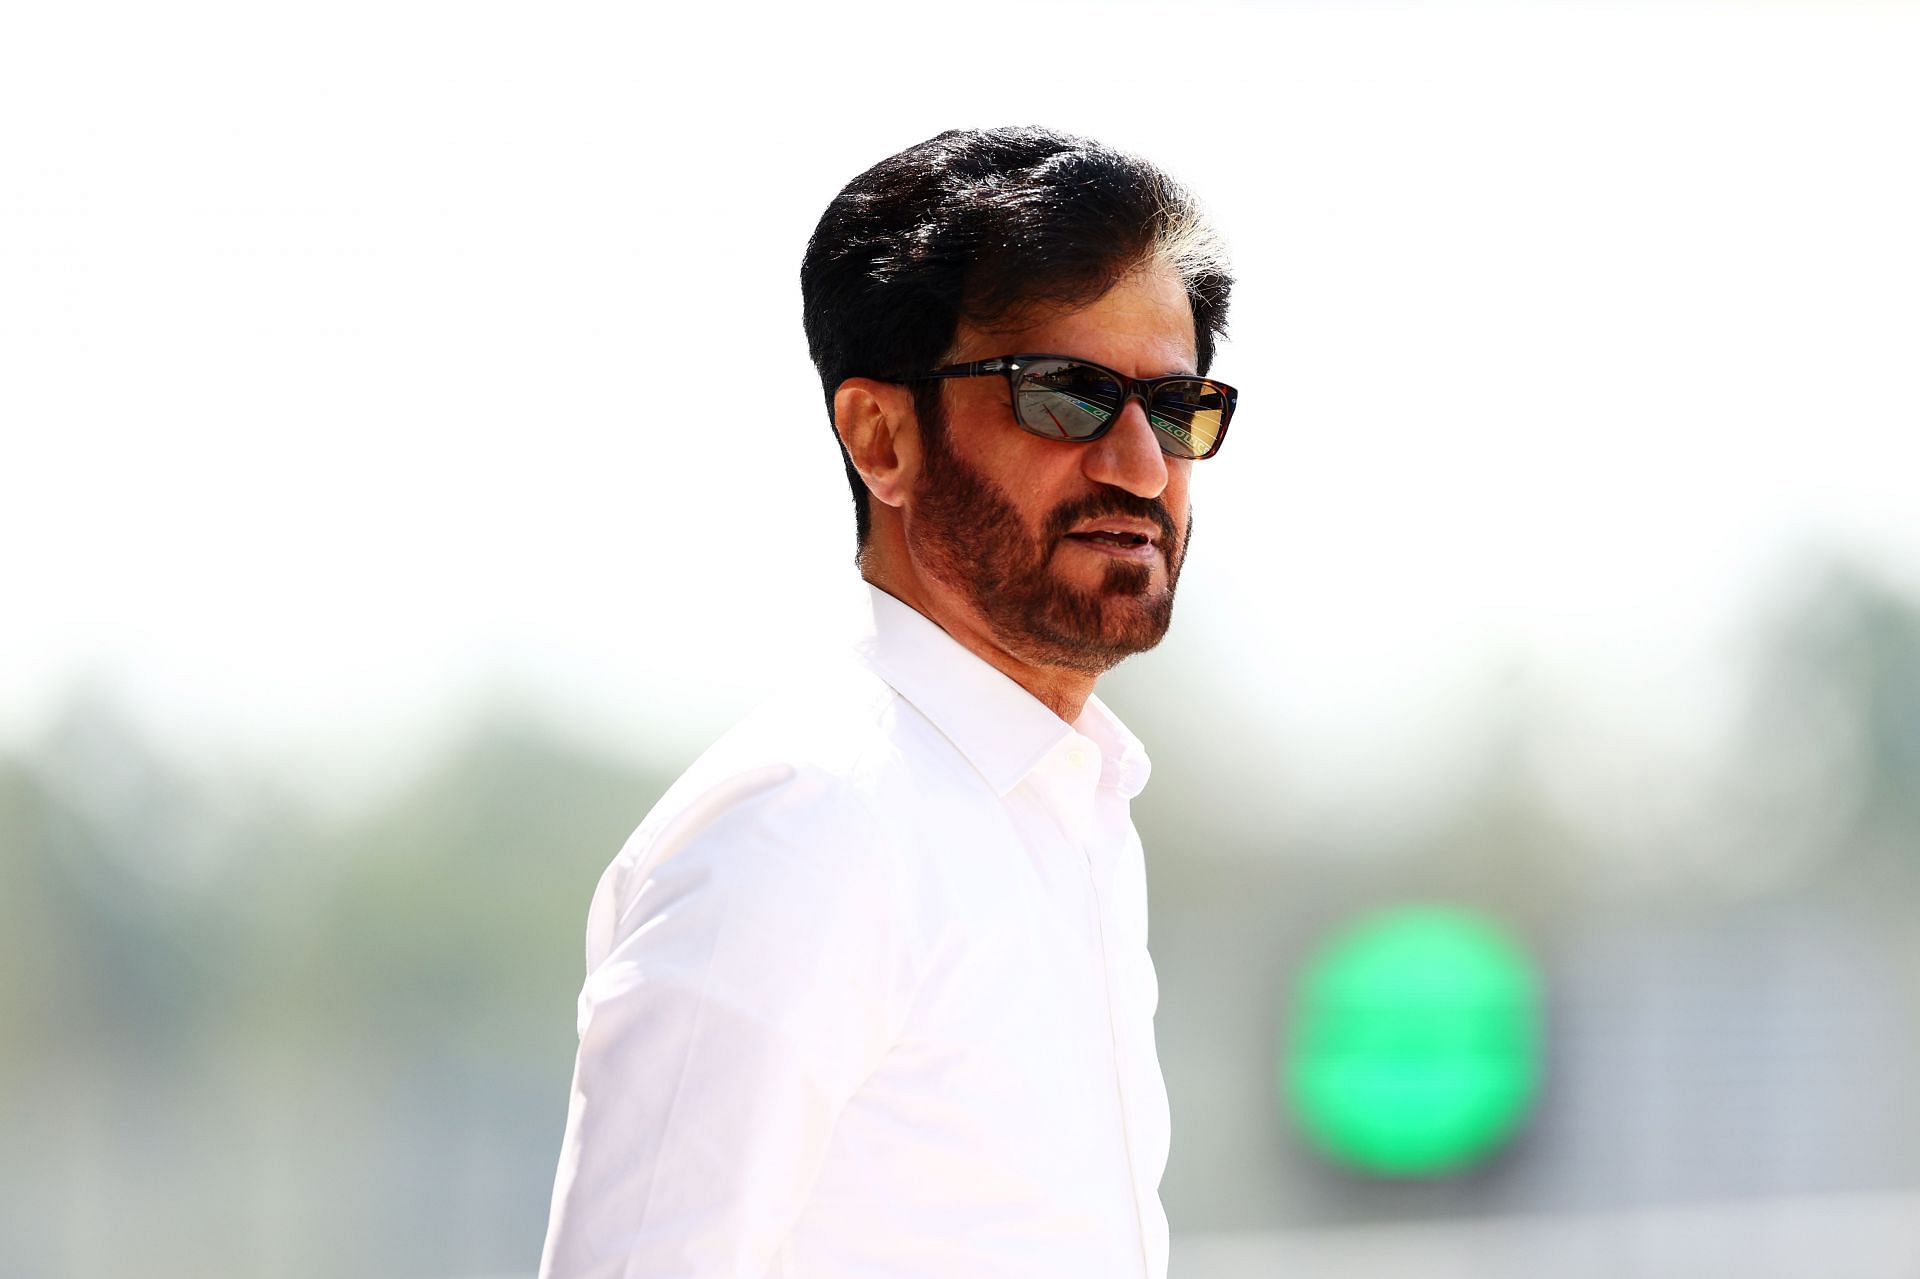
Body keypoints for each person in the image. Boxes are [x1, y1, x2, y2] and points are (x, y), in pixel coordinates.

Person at [537, 125, 1237, 1279]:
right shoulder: (809, 825)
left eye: (1173, 407)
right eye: (1066, 395)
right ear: (882, 437)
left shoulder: (1065, 811)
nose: (1140, 466)